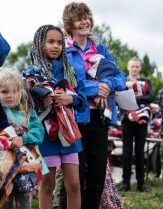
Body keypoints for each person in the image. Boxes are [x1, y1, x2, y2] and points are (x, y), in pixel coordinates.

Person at [61, 2, 126, 209]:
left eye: (86, 16)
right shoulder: (63, 49)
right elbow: (64, 81)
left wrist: (106, 84)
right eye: (79, 18)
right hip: (74, 118)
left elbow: (120, 77)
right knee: (75, 177)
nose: (84, 21)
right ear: (70, 24)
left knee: (97, 174)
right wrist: (94, 88)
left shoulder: (100, 48)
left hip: (99, 117)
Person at [23, 25, 86, 209]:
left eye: (59, 42)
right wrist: (40, 100)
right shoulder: (30, 73)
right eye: (50, 42)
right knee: (48, 183)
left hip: (68, 134)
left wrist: (69, 99)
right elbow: (23, 102)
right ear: (39, 44)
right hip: (45, 135)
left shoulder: (70, 72)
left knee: (74, 184)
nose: (55, 46)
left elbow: (81, 100)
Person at [0, 69, 44, 209]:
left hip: (25, 166)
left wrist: (23, 139)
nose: (10, 96)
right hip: (3, 167)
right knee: (4, 201)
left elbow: (39, 132)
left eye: (14, 91)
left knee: (24, 201)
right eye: (5, 91)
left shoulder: (27, 112)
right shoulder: (1, 112)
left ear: (21, 92)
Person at [118, 57, 153, 192]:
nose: (134, 69)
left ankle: (141, 183)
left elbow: (150, 97)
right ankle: (126, 183)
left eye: (137, 66)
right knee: (126, 152)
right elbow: (118, 97)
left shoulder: (146, 81)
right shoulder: (122, 80)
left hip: (142, 118)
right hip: (126, 118)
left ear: (140, 68)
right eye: (132, 66)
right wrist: (135, 99)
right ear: (128, 67)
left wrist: (131, 97)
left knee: (140, 151)